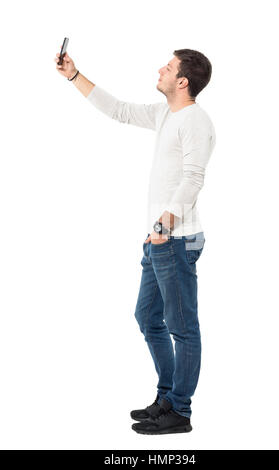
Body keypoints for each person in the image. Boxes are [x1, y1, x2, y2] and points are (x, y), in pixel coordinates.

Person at [54, 47, 216, 435]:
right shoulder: (167, 114)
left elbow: (193, 179)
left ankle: (180, 411)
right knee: (148, 317)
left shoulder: (195, 121)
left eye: (169, 66)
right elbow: (119, 110)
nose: (161, 68)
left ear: (183, 81)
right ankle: (167, 397)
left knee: (182, 327)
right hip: (158, 239)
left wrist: (162, 228)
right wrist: (75, 76)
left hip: (174, 239)